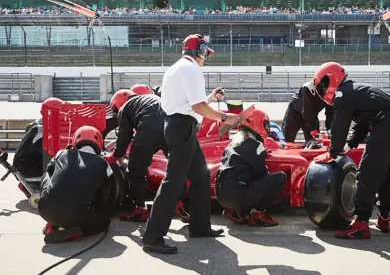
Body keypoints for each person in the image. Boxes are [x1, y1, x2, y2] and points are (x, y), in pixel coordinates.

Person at [142, 34, 238, 254]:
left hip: (178, 126)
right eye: (206, 54)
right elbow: (197, 108)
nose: (206, 59)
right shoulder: (192, 69)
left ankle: (200, 225)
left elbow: (189, 102)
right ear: (201, 51)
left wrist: (210, 98)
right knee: (173, 182)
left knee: (201, 175)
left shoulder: (176, 68)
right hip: (183, 127)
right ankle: (153, 237)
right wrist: (225, 118)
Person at [310, 62, 390, 240]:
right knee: (386, 175)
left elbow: (340, 126)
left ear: (330, 79)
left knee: (366, 174)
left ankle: (361, 224)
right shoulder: (356, 91)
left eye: (322, 86)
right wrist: (350, 145)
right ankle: (384, 217)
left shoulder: (342, 94)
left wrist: (333, 152)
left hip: (385, 126)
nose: (322, 90)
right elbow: (363, 123)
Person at [104, 89, 190, 222]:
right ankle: (178, 202)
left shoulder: (125, 108)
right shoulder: (151, 98)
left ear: (116, 107)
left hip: (148, 130)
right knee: (176, 167)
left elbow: (124, 139)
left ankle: (139, 208)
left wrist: (114, 156)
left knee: (135, 170)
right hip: (173, 126)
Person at [39, 126, 115, 244]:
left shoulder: (61, 154)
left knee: (48, 174)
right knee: (105, 222)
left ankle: (53, 223)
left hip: (45, 211)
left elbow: (50, 171)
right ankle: (76, 231)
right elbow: (102, 197)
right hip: (77, 217)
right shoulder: (104, 165)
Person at [215, 109, 287, 227]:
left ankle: (233, 210)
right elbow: (262, 174)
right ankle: (257, 214)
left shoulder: (232, 144)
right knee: (279, 178)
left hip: (221, 195)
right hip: (236, 196)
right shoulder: (256, 145)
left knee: (244, 178)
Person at [14, 97, 66, 197]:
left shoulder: (35, 124)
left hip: (22, 164)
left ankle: (30, 185)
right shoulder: (42, 130)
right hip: (24, 168)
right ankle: (30, 186)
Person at [282, 81, 335, 146]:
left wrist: (330, 130)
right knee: (286, 140)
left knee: (314, 144)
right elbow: (307, 111)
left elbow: (330, 114)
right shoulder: (308, 87)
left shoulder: (332, 94)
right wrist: (313, 129)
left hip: (312, 115)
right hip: (295, 112)